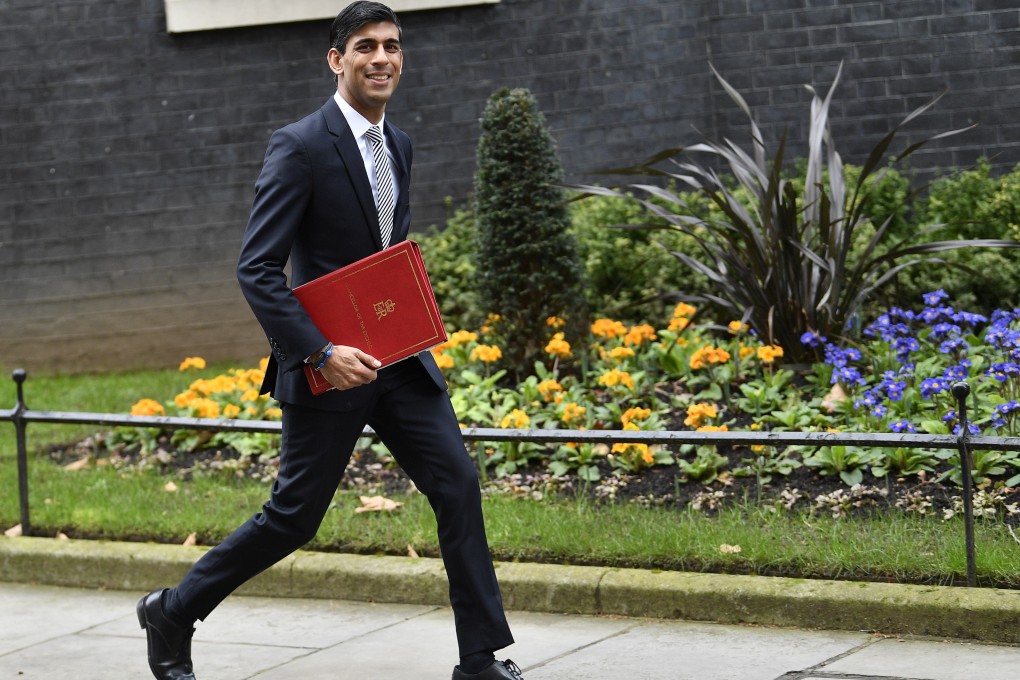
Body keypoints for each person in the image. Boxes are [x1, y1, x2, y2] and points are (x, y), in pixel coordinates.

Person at [135, 3, 523, 679]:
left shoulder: (398, 144)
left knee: (458, 486)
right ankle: (173, 609)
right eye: (365, 46)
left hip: (399, 364)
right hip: (327, 368)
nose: (382, 58)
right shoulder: (301, 144)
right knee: (294, 518)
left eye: (392, 46)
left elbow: (383, 256)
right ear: (336, 59)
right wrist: (319, 352)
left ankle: (480, 660)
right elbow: (256, 268)